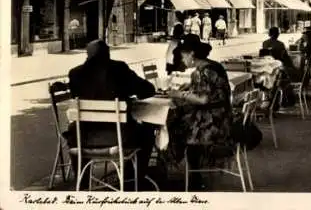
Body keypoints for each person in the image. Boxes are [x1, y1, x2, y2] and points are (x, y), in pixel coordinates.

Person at [64, 40, 156, 190]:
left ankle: (83, 183)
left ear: (87, 54)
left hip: (82, 138)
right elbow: (148, 90)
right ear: (107, 53)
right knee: (148, 132)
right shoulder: (119, 69)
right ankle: (134, 177)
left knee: (73, 129)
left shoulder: (75, 73)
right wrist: (127, 95)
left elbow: (78, 97)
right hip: (118, 137)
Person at [167, 34, 233, 191]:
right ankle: (193, 173)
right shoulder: (213, 66)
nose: (182, 60)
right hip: (223, 118)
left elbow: (203, 99)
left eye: (183, 55)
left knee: (173, 127)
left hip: (213, 124)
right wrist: (189, 86)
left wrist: (179, 94)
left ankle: (189, 175)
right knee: (178, 121)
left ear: (191, 54)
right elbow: (210, 90)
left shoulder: (201, 72)